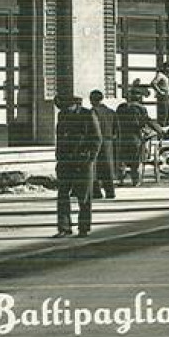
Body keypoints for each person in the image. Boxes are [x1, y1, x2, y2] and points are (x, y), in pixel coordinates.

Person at [54, 94, 102, 237]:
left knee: (84, 196)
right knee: (62, 195)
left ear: (75, 105)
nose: (64, 109)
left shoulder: (87, 115)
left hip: (83, 162)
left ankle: (83, 228)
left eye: (67, 106)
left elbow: (97, 139)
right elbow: (60, 137)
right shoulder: (62, 115)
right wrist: (59, 157)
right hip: (65, 162)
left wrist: (90, 159)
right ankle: (64, 228)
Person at [113, 83, 156, 187]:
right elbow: (145, 121)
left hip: (121, 137)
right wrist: (157, 130)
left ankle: (121, 180)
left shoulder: (120, 107)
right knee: (135, 160)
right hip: (135, 137)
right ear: (139, 97)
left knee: (122, 159)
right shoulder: (141, 108)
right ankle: (135, 180)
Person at [88, 89, 119, 200]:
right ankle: (110, 192)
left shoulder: (92, 112)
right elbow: (116, 129)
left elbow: (91, 128)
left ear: (92, 100)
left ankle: (97, 192)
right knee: (108, 168)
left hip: (96, 142)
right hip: (109, 143)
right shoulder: (111, 112)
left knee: (95, 168)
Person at [151, 63, 169, 131]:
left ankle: (167, 132)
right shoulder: (160, 75)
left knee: (168, 114)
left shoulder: (166, 76)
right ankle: (161, 131)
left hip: (168, 97)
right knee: (163, 115)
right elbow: (153, 83)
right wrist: (160, 92)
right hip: (163, 97)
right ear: (165, 68)